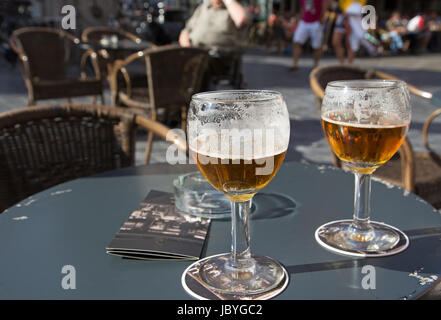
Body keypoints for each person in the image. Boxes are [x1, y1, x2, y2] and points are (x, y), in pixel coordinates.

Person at [179, 0, 248, 48]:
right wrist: (186, 46)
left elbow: (241, 19)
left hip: (218, 57)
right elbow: (186, 30)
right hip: (194, 52)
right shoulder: (203, 7)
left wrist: (228, 1)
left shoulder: (235, 8)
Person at [290, 0, 329, 70]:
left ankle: (315, 65)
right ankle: (295, 64)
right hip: (304, 21)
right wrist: (300, 18)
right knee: (296, 41)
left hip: (316, 22)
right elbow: (302, 7)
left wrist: (322, 18)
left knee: (317, 46)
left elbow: (325, 4)